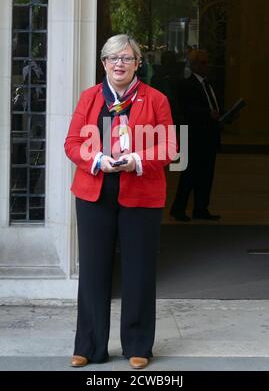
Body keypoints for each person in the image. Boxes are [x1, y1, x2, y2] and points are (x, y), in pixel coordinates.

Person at [64, 34, 176, 369]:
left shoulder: (156, 99)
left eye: (126, 58)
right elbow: (72, 143)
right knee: (94, 271)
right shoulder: (89, 98)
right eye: (112, 58)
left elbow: (169, 146)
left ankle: (139, 346)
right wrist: (97, 159)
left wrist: (137, 160)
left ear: (138, 63)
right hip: (95, 191)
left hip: (140, 191)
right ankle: (90, 345)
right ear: (103, 64)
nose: (119, 64)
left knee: (139, 271)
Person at [170, 49, 221, 222]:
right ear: (195, 65)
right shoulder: (187, 84)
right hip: (194, 136)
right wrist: (208, 114)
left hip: (209, 136)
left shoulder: (208, 84)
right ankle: (178, 209)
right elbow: (187, 110)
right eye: (204, 63)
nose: (208, 66)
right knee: (189, 174)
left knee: (207, 174)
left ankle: (201, 208)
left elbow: (212, 105)